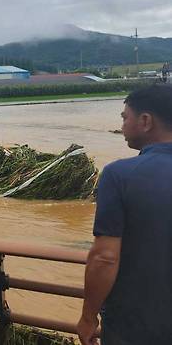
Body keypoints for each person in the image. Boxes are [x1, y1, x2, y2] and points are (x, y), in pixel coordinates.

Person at [77, 84, 172, 345]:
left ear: (145, 121)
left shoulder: (120, 175)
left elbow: (105, 257)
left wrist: (88, 316)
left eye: (124, 118)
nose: (122, 126)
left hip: (136, 325)